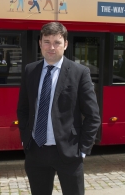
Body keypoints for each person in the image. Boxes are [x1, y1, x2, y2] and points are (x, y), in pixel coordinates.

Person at [16, 22, 100, 195]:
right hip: (36, 152)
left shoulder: (80, 72)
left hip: (69, 153)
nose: (51, 47)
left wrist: (83, 149)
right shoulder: (30, 70)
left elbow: (93, 116)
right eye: (47, 41)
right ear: (40, 43)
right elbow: (23, 108)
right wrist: (25, 138)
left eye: (57, 42)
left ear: (66, 44)